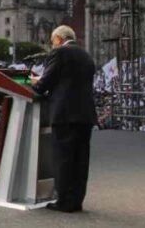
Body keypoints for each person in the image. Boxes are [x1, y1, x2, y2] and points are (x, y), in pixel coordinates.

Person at [32, 25, 97, 213]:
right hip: (85, 116)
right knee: (81, 160)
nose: (52, 45)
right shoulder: (86, 56)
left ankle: (64, 201)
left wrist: (36, 81)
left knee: (64, 158)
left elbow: (44, 84)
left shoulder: (59, 53)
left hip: (65, 115)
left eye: (53, 41)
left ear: (59, 39)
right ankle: (76, 200)